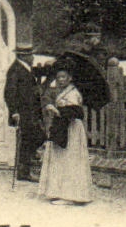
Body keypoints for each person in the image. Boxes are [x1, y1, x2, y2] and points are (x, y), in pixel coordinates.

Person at [38, 67, 93, 205]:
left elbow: (75, 113)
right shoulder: (59, 92)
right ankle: (57, 191)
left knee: (70, 158)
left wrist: (59, 111)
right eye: (58, 77)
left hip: (71, 129)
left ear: (69, 78)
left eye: (64, 77)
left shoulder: (73, 93)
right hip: (63, 127)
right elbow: (48, 99)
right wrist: (52, 107)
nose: (61, 80)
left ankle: (70, 195)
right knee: (60, 158)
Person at [4, 49, 45, 183]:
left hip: (30, 112)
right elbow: (9, 93)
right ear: (23, 56)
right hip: (22, 113)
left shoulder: (25, 68)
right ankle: (24, 172)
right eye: (30, 55)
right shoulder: (15, 70)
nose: (33, 57)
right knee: (27, 140)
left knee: (37, 136)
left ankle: (28, 164)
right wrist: (14, 111)